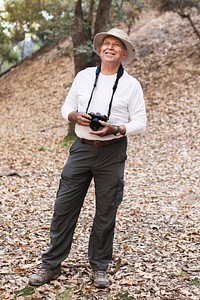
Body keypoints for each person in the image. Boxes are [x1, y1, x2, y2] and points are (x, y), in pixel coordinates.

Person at [28, 28, 146, 288]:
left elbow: (140, 122)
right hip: (81, 149)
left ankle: (100, 267)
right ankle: (51, 265)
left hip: (112, 153)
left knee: (106, 213)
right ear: (100, 49)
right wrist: (74, 116)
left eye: (117, 45)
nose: (110, 47)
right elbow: (66, 106)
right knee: (63, 208)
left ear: (124, 53)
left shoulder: (131, 85)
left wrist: (116, 128)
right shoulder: (83, 77)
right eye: (107, 43)